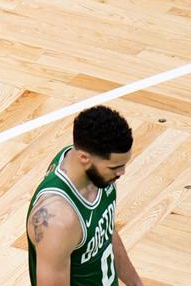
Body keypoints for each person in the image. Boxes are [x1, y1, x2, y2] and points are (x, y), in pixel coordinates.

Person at [27, 105, 143, 285]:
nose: (122, 173)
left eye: (123, 165)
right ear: (84, 157)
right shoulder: (58, 221)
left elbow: (106, 232)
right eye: (115, 167)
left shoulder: (97, 174)